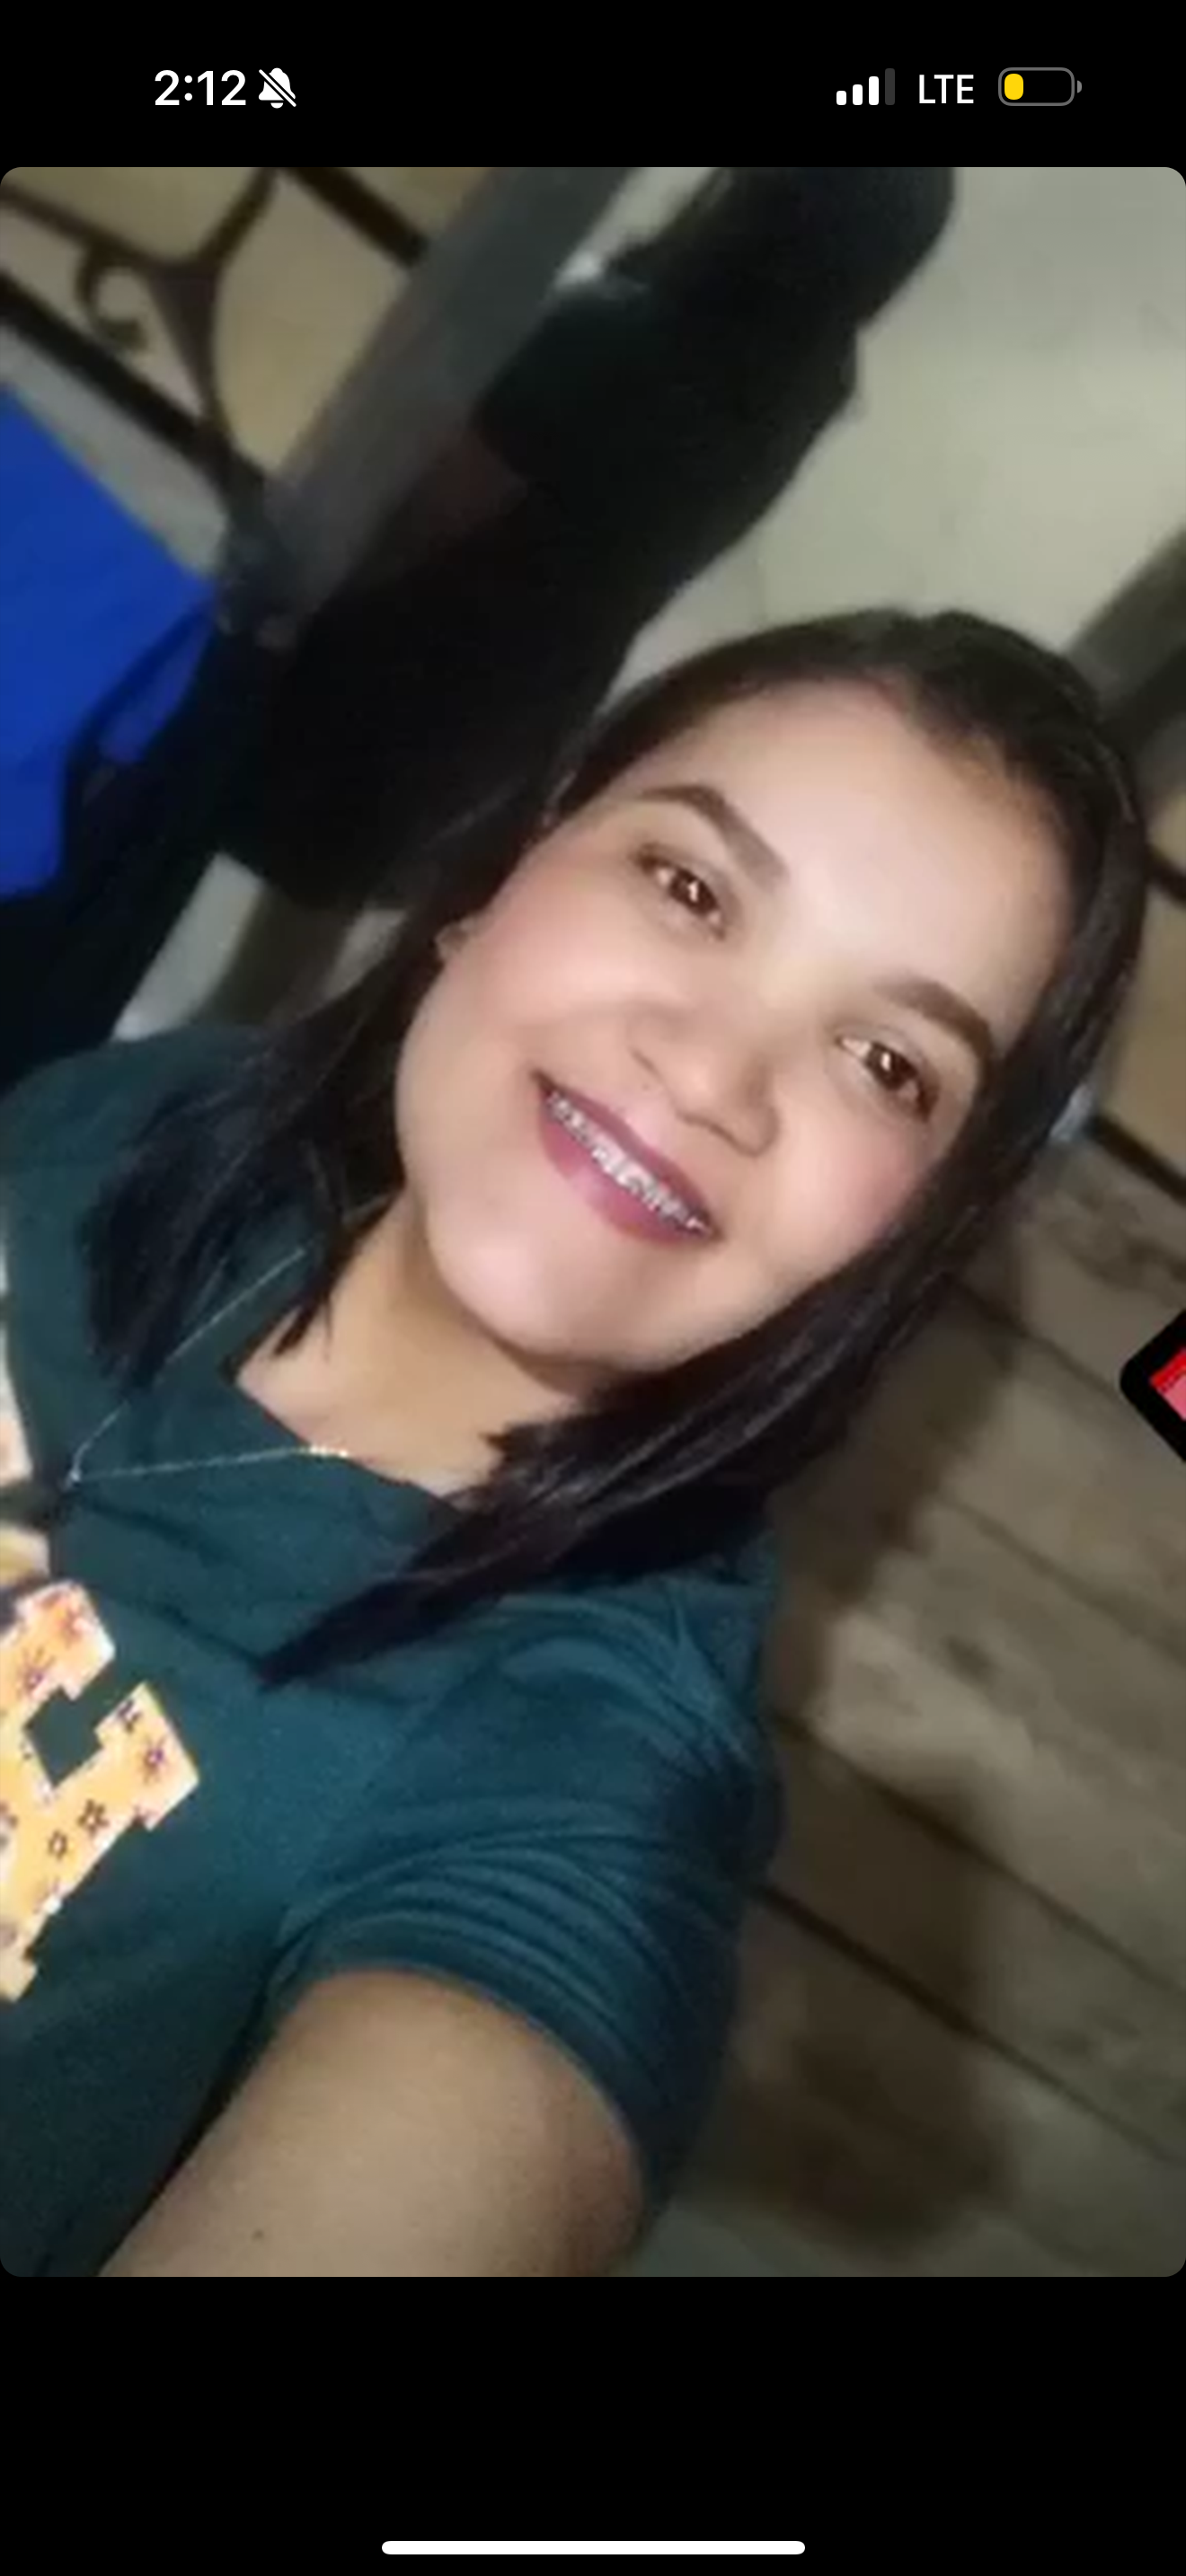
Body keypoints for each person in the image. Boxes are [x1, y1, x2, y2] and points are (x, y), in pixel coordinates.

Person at [0, 608, 1147, 2278]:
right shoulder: (156, 1124)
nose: (711, 1073)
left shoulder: (569, 1777)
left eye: (886, 1062)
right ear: (515, 866)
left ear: (910, 1231)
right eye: (691, 888)